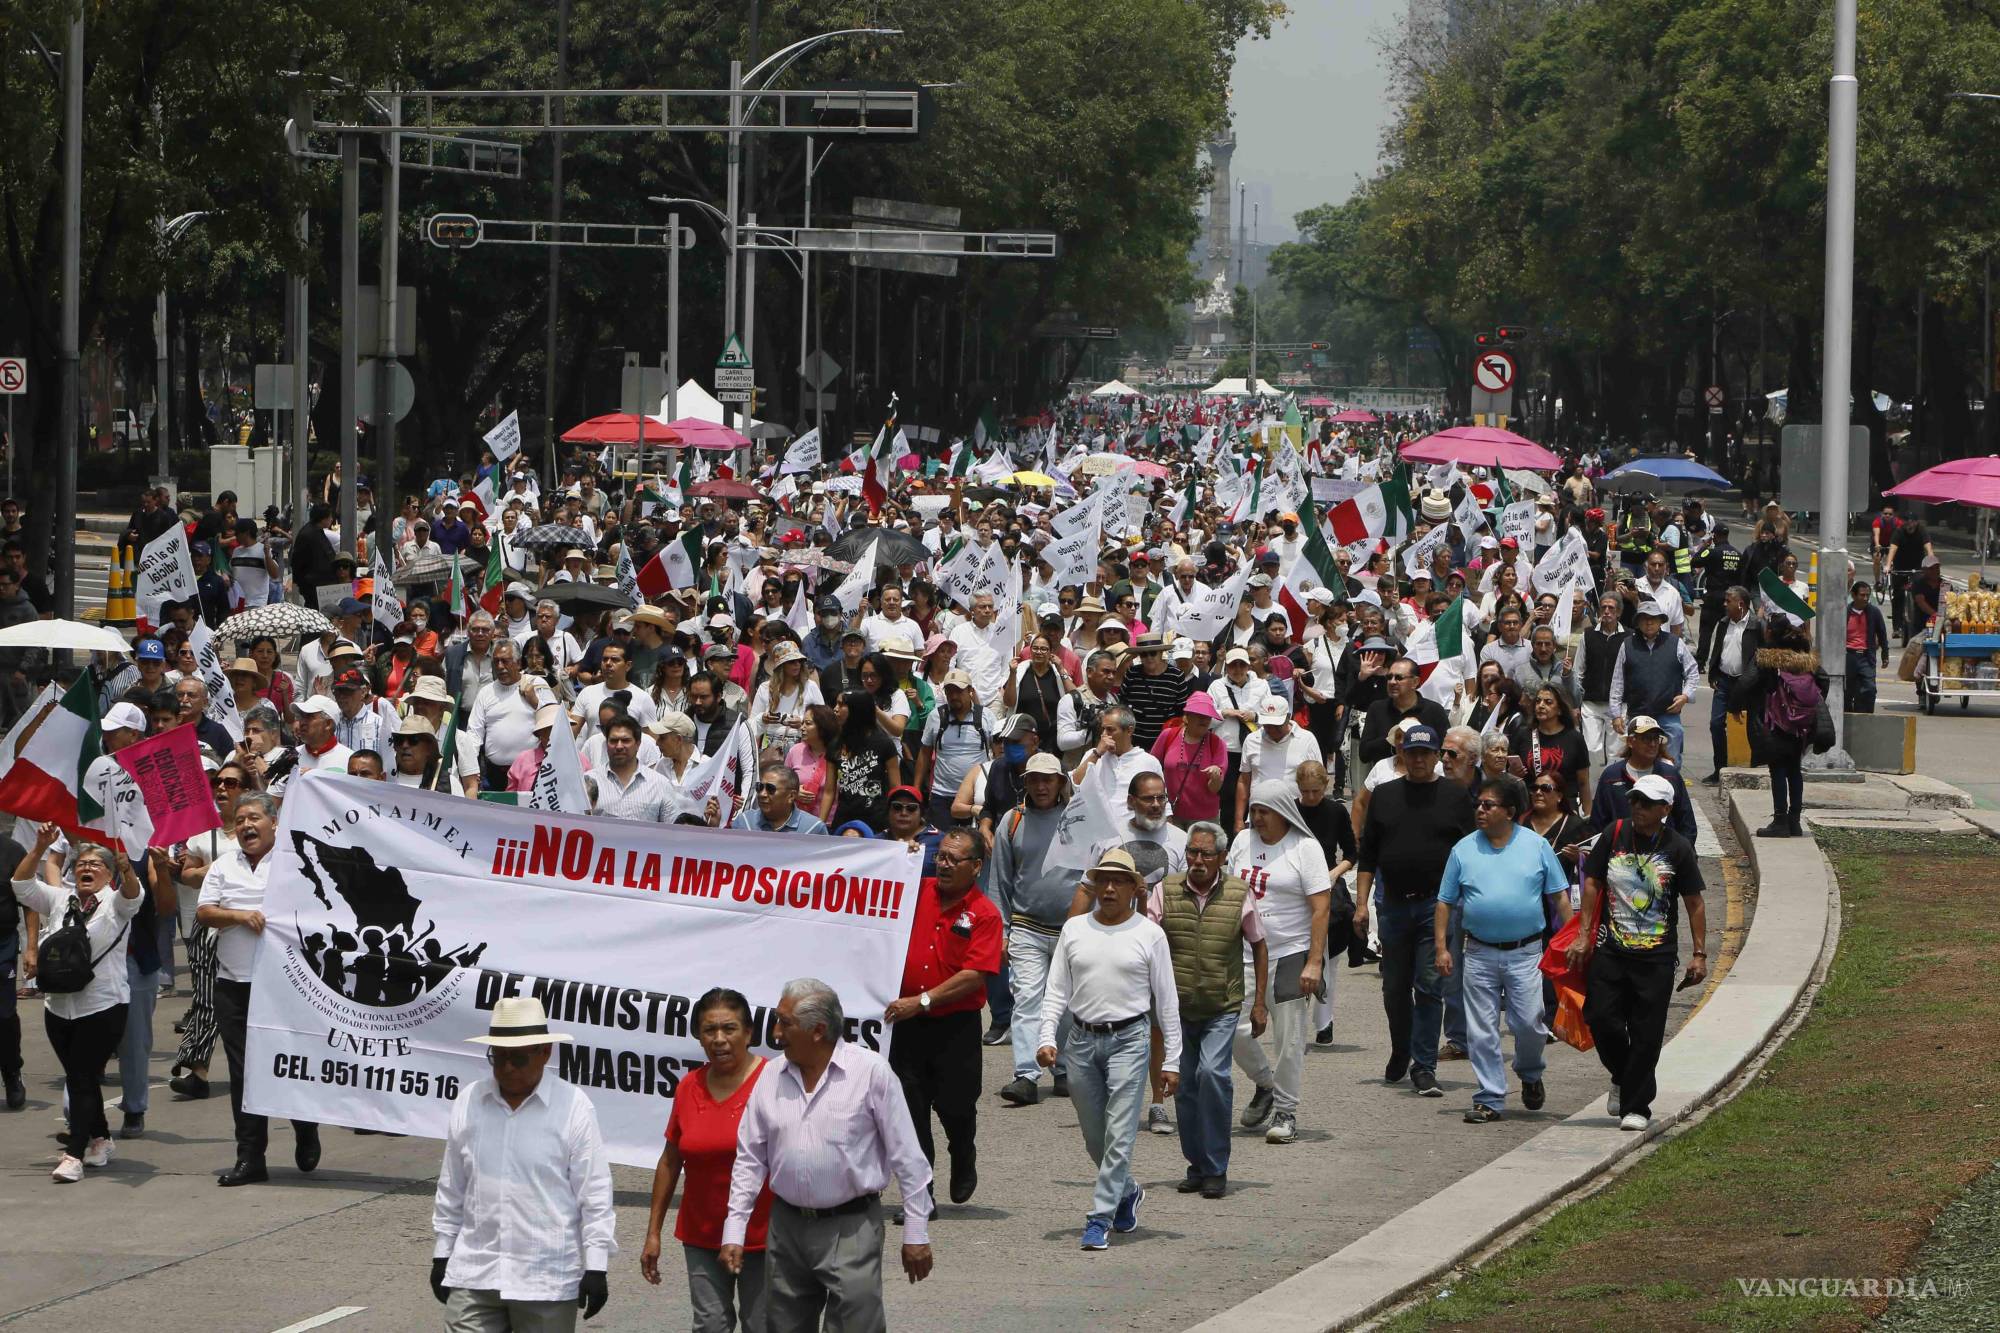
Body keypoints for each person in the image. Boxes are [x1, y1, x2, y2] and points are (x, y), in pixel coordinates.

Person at [722, 979, 935, 1327]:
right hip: (786, 1228)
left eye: (785, 1023)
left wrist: (916, 1232)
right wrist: (735, 1229)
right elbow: (749, 1159)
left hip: (851, 1229)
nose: (776, 1032)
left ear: (818, 1030)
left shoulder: (870, 1073)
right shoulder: (770, 1076)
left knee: (856, 1325)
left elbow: (908, 1157)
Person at [432, 996, 615, 1329]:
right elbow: (452, 1186)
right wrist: (442, 1253)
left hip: (545, 1277)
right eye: (497, 1057)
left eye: (517, 1058)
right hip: (476, 1271)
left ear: (545, 1052)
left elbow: (595, 1194)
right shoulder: (469, 1101)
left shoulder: (573, 1107)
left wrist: (597, 1266)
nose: (506, 1068)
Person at [1037, 849, 1182, 1251]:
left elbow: (1166, 1002)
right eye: (1103, 880)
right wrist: (1047, 1037)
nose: (1110, 888)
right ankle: (1127, 1190)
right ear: (1094, 885)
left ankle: (1098, 1217)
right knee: (1094, 1137)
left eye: (1119, 881)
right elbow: (1055, 991)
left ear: (1135, 888)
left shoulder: (1149, 934)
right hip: (1080, 1042)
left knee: (1120, 1134)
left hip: (1130, 1041)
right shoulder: (1075, 930)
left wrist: (1171, 1060)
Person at [1567, 774, 1709, 1131]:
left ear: (1665, 808)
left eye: (1646, 803)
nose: (1638, 808)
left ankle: (1637, 1107)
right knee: (1600, 1017)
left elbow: (1694, 902)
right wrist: (1584, 934)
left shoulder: (1677, 847)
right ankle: (1623, 1075)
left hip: (1656, 958)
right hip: (1611, 950)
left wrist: (1700, 954)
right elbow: (1594, 882)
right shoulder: (1614, 834)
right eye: (1634, 800)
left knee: (1646, 1034)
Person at [197, 792, 322, 1185]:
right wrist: (238, 916)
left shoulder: (293, 863)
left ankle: (305, 1127)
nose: (247, 826)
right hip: (234, 985)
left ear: (273, 823)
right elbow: (204, 912)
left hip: (285, 987)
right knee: (244, 1073)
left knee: (287, 1064)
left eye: (254, 818)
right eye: (240, 820)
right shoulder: (222, 865)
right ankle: (251, 1157)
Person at [1436, 776, 1572, 1123]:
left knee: (1529, 1023)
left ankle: (1529, 1072)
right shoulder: (1463, 850)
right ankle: (1490, 1097)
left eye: (1488, 805)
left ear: (1510, 812)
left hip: (1526, 953)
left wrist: (1571, 939)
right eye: (1478, 804)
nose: (1480, 810)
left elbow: (1558, 895)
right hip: (1478, 952)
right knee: (1481, 1029)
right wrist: (1442, 947)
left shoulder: (1536, 846)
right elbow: (1445, 902)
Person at [13, 824, 143, 1182]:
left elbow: (133, 895)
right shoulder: (60, 898)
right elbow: (21, 886)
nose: (86, 868)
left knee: (82, 1076)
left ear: (109, 873)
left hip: (103, 1006)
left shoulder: (115, 903)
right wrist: (39, 848)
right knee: (78, 1077)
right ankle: (101, 1139)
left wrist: (127, 868)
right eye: (81, 863)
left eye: (95, 864)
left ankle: (74, 1154)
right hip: (58, 1006)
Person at [1354, 724, 1476, 1099]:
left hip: (1436, 907)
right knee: (1394, 987)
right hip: (1391, 904)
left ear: (1438, 756)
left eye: (1427, 753)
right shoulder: (1386, 795)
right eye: (1413, 753)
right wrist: (1361, 904)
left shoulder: (1456, 797)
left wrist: (1467, 905)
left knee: (1428, 986)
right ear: (1402, 755)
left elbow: (1470, 855)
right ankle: (1400, 1048)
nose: (1419, 759)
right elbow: (1368, 855)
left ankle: (1424, 1066)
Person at [886, 829, 1003, 1211]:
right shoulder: (915, 892)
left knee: (956, 1106)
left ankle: (963, 1151)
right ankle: (921, 1194)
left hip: (955, 1026)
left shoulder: (985, 914)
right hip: (907, 1027)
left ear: (976, 866)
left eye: (955, 859)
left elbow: (974, 975)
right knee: (911, 1111)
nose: (946, 864)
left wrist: (921, 1001)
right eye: (942, 857)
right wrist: (894, 857)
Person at [641, 988, 771, 1333]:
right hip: (702, 1234)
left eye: (729, 1029)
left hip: (765, 1235)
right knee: (710, 1325)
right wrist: (653, 1233)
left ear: (749, 1033)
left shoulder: (774, 1083)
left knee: (762, 1325)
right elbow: (670, 1162)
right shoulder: (688, 1087)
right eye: (708, 1030)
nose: (719, 1039)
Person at [1154, 821, 1266, 1199]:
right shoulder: (1166, 890)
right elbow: (1146, 937)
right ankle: (1197, 1165)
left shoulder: (1238, 893)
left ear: (1221, 857)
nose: (1197, 860)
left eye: (1206, 854)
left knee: (1212, 1074)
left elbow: (1260, 945)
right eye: (1192, 852)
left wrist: (1260, 1003)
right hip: (1179, 1006)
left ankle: (1217, 1167)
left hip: (1222, 1004)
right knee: (1183, 1085)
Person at [1226, 779, 1331, 1145]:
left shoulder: (1306, 849)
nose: (1256, 818)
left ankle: (1286, 1109)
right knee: (1231, 1029)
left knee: (1289, 1038)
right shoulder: (1242, 842)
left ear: (1284, 812)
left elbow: (1320, 908)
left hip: (1290, 952)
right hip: (1243, 952)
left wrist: (1314, 962)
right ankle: (1265, 1085)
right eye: (1253, 810)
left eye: (1264, 811)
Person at [992, 753, 1078, 1106]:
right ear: (1025, 783)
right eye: (1034, 779)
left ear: (1060, 782)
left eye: (1049, 779)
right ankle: (1026, 1074)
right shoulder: (1011, 821)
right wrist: (1001, 929)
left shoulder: (1078, 819)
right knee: (1027, 998)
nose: (1041, 786)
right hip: (1026, 926)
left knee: (1067, 1004)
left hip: (1070, 929)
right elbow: (999, 881)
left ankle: (1064, 1069)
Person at [1731, 620, 1827, 839]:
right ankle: (1794, 822)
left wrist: (1735, 707)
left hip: (1775, 723)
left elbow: (1745, 683)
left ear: (1771, 633)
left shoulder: (1765, 658)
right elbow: (1824, 679)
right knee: (1794, 770)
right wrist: (1807, 707)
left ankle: (1780, 821)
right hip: (1800, 727)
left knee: (1778, 771)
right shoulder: (1805, 659)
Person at [1608, 601, 1701, 766]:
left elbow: (1692, 672)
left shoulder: (1675, 643)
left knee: (1671, 762)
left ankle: (1670, 789)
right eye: (1644, 619)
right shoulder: (1627, 645)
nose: (1649, 622)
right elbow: (1617, 681)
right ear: (1638, 622)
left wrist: (1685, 696)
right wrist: (1616, 715)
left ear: (1661, 621)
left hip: (1668, 714)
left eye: (1653, 618)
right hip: (1638, 714)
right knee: (1637, 760)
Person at [1589, 717, 1698, 844]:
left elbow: (1686, 822)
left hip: (1664, 855)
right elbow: (1598, 823)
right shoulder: (1611, 776)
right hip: (1621, 857)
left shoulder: (1671, 775)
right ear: (1630, 741)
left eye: (1656, 739)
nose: (1652, 744)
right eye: (1646, 738)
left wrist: (1681, 854)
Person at [1702, 586, 1762, 783]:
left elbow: (1762, 655)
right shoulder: (1723, 623)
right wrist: (1713, 673)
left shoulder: (1756, 625)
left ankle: (1755, 767)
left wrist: (1753, 679)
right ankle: (1720, 767)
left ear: (1741, 604)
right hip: (1725, 681)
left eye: (1729, 601)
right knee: (1716, 724)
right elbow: (1717, 648)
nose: (1725, 604)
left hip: (1747, 684)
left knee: (1752, 727)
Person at [1234, 697, 1322, 827]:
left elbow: (1318, 780)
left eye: (1277, 725)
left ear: (1288, 717)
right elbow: (1244, 781)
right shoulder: (1252, 740)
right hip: (1259, 816)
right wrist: (1239, 820)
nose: (1272, 729)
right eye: (1267, 725)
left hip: (1297, 816)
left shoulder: (1307, 739)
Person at [1153, 693, 1227, 828]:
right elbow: (1151, 770)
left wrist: (1215, 777)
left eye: (1208, 716)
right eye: (1199, 715)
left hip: (1205, 819)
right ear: (1187, 716)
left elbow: (1214, 789)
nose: (1204, 720)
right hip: (1170, 815)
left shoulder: (1217, 744)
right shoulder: (1168, 735)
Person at [1571, 592, 1628, 769]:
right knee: (1591, 750)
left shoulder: (1629, 638)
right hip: (1591, 703)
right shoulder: (1587, 636)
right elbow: (1578, 672)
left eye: (1611, 608)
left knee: (1616, 752)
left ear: (1619, 612)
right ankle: (1592, 792)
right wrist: (1575, 703)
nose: (1607, 611)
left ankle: (1612, 791)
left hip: (1618, 705)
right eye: (1603, 607)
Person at [733, 761, 828, 834]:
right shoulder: (744, 822)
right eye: (760, 787)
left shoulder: (813, 829)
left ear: (791, 796)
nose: (762, 794)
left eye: (770, 789)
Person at [1843, 580, 1890, 715]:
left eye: (1867, 595)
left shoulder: (1873, 612)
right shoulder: (1844, 612)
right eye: (1862, 595)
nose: (1865, 598)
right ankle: (1846, 717)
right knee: (1847, 691)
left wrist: (1885, 655)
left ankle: (1866, 717)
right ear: (1853, 595)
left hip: (1866, 657)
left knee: (1869, 689)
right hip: (1848, 656)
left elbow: (1882, 633)